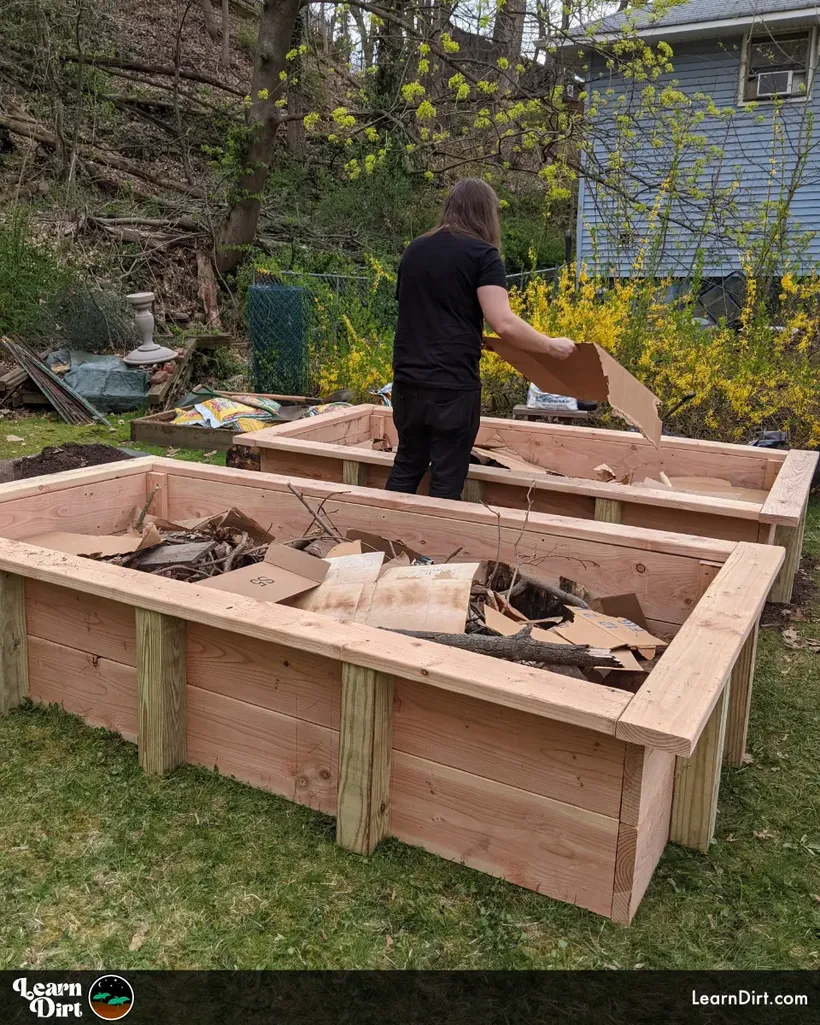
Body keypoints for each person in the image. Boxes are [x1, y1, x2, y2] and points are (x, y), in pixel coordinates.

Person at [385, 177, 575, 501]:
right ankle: (433, 552)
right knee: (446, 479)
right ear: (487, 214)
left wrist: (469, 333)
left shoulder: (414, 250)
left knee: (406, 465)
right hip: (451, 387)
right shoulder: (483, 255)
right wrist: (549, 344)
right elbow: (503, 322)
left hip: (407, 385)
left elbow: (426, 314)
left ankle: (380, 545)